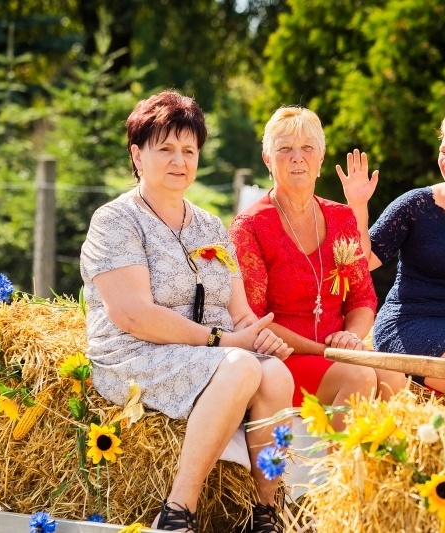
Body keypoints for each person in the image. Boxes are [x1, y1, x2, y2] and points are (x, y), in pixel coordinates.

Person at [80, 90, 294, 533]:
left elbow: (239, 312)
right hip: (134, 352)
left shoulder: (210, 225)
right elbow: (133, 315)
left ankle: (265, 512)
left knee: (276, 374)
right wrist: (225, 342)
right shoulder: (115, 220)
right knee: (240, 366)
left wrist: (257, 335)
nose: (179, 160)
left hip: (208, 352)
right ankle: (178, 511)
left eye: (189, 150)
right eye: (166, 149)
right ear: (137, 156)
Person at [228, 106, 405, 426]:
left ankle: (382, 459)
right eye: (285, 149)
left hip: (335, 353)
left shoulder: (342, 217)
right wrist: (324, 350)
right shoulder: (250, 226)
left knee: (393, 377)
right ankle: (339, 462)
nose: (297, 157)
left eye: (307, 147)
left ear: (321, 158)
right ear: (267, 159)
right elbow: (253, 319)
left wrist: (351, 337)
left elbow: (363, 297)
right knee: (359, 377)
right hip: (280, 358)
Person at [339, 112, 445, 393]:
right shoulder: (416, 205)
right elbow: (362, 263)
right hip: (411, 323)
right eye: (444, 151)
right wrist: (358, 204)